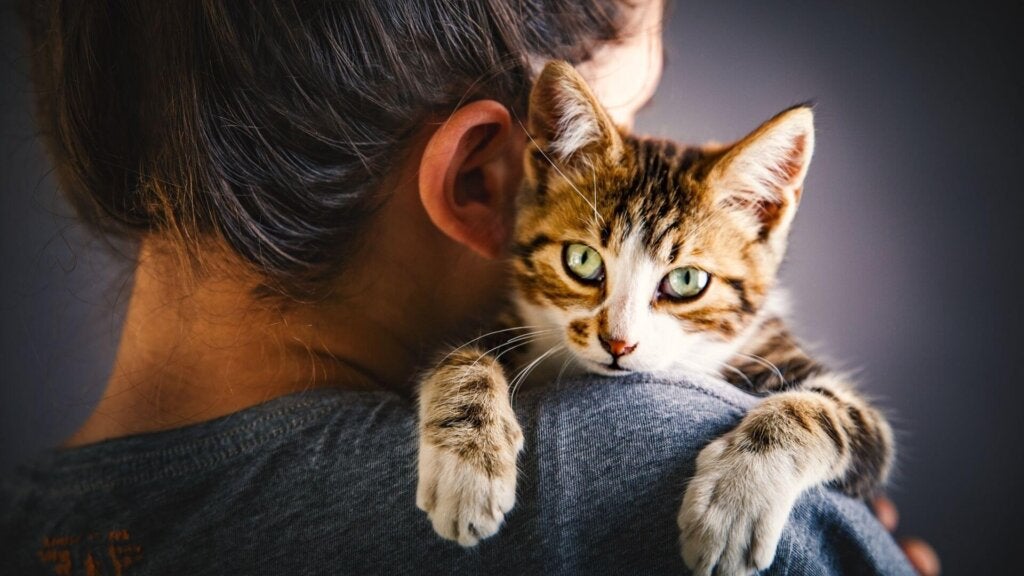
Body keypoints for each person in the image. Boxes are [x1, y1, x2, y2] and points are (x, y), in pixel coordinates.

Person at [1, 0, 937, 574]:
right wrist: (835, 551)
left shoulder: (27, 525)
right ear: (483, 178)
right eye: (632, 115)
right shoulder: (646, 472)